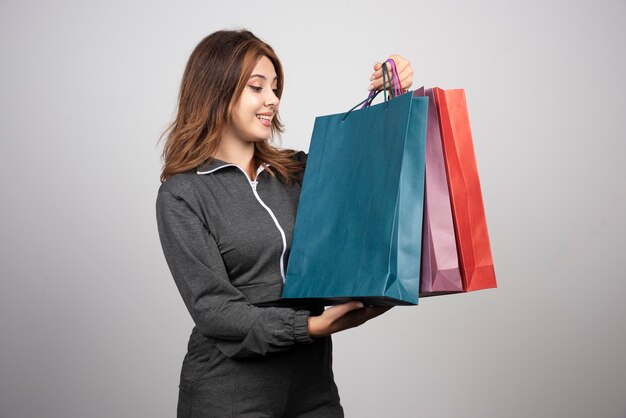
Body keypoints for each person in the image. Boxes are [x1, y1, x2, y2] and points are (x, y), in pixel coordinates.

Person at [156, 29, 414, 418]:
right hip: (228, 394)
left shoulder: (297, 171)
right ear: (215, 91)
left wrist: (396, 95)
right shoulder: (183, 195)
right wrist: (309, 328)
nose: (272, 100)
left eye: (275, 88)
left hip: (313, 388)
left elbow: (371, 173)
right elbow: (214, 309)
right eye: (256, 87)